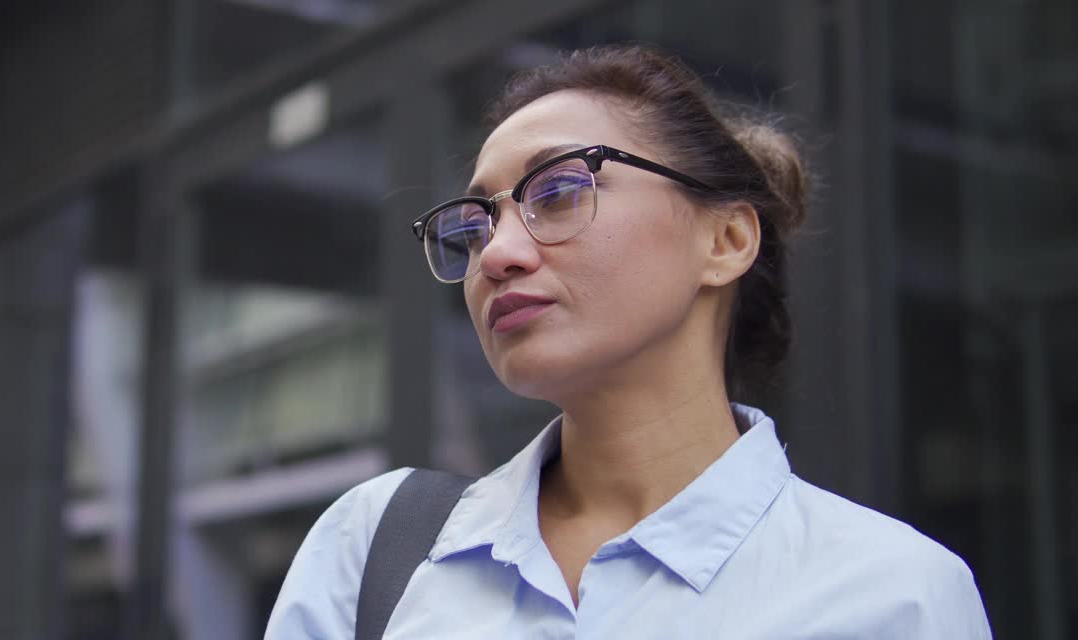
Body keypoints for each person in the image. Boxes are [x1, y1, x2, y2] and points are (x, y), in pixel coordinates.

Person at [264, 45, 992, 638]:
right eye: (476, 224)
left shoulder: (898, 596)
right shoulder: (377, 547)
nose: (495, 255)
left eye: (556, 193)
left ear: (726, 238)